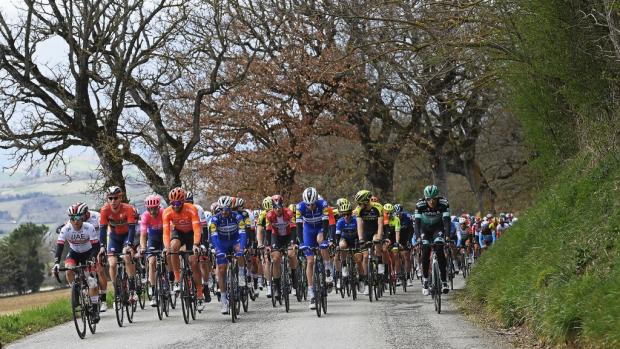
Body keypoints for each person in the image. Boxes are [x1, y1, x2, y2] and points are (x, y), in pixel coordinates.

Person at [53, 204, 101, 323]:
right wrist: (56, 263)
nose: (75, 221)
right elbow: (59, 246)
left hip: (89, 253)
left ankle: (94, 308)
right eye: (72, 218)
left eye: (79, 218)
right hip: (74, 253)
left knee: (92, 282)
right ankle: (75, 289)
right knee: (69, 269)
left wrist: (92, 259)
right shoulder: (66, 229)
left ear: (84, 217)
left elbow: (96, 246)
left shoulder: (89, 227)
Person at [162, 187, 205, 310]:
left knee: (193, 262)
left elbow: (197, 229)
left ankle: (200, 294)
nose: (175, 206)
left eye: (178, 203)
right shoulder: (167, 212)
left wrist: (196, 244)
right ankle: (177, 278)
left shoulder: (191, 209)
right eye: (173, 203)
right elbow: (166, 233)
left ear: (183, 201)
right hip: (179, 233)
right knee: (173, 247)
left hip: (192, 235)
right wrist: (166, 247)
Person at [98, 186, 138, 303]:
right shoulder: (104, 210)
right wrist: (102, 247)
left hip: (126, 236)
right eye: (110, 198)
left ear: (120, 198)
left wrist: (129, 245)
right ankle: (117, 289)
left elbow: (131, 229)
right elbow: (103, 230)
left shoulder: (128, 208)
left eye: (115, 198)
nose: (113, 201)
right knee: (112, 263)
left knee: (126, 257)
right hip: (114, 238)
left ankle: (132, 288)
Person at [210, 195, 247, 314]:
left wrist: (241, 248)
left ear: (230, 209)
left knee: (240, 251)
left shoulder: (238, 217)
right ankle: (224, 301)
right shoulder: (215, 219)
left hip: (234, 240)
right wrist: (218, 250)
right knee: (221, 269)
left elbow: (242, 234)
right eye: (221, 209)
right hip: (222, 243)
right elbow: (214, 236)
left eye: (226, 209)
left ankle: (241, 274)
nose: (224, 212)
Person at [296, 187, 331, 310]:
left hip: (321, 227)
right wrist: (301, 243)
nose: (310, 207)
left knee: (321, 241)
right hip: (308, 230)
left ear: (316, 200)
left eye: (312, 204)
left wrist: (325, 239)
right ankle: (311, 293)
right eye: (308, 205)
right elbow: (299, 227)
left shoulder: (323, 204)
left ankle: (327, 268)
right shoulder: (299, 207)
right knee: (310, 261)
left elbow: (327, 223)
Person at [414, 184, 451, 295]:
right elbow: (417, 223)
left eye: (434, 199)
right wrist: (418, 237)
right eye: (428, 199)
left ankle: (444, 281)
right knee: (425, 252)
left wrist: (447, 236)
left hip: (437, 228)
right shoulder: (420, 204)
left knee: (439, 250)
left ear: (437, 197)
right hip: (424, 229)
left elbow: (446, 220)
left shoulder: (443, 203)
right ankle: (425, 280)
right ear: (425, 198)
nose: (431, 201)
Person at [263, 195, 298, 300]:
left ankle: (294, 275)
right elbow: (268, 231)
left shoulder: (289, 213)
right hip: (276, 237)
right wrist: (268, 245)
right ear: (272, 207)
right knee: (275, 258)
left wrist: (293, 243)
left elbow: (293, 229)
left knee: (291, 254)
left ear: (283, 206)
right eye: (275, 207)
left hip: (288, 236)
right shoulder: (269, 215)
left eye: (279, 207)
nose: (277, 210)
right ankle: (277, 287)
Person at [136, 195, 168, 307]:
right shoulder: (145, 216)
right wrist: (143, 247)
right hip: (153, 239)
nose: (152, 211)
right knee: (152, 261)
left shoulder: (164, 213)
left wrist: (167, 246)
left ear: (159, 207)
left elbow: (168, 230)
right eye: (150, 209)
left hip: (164, 236)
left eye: (154, 208)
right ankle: (154, 292)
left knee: (167, 255)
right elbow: (143, 234)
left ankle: (169, 277)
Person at [353, 189, 384, 295]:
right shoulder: (359, 209)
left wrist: (379, 237)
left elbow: (380, 225)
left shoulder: (378, 207)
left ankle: (379, 262)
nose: (359, 205)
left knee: (376, 240)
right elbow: (359, 225)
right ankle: (366, 283)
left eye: (360, 203)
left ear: (366, 201)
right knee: (365, 256)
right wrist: (361, 239)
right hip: (366, 232)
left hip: (375, 230)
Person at [185, 191, 212, 303]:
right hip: (185, 237)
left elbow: (204, 229)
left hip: (198, 236)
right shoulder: (180, 210)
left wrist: (204, 245)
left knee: (201, 261)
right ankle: (185, 282)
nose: (189, 204)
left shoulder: (198, 209)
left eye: (190, 202)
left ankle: (205, 286)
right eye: (186, 202)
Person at [334, 200, 363, 291]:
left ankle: (362, 280)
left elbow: (361, 232)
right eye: (344, 214)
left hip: (355, 240)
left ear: (351, 213)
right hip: (345, 240)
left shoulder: (356, 220)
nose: (346, 216)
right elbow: (338, 235)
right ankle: (344, 266)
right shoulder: (340, 221)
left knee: (358, 260)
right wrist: (337, 245)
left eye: (348, 214)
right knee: (341, 246)